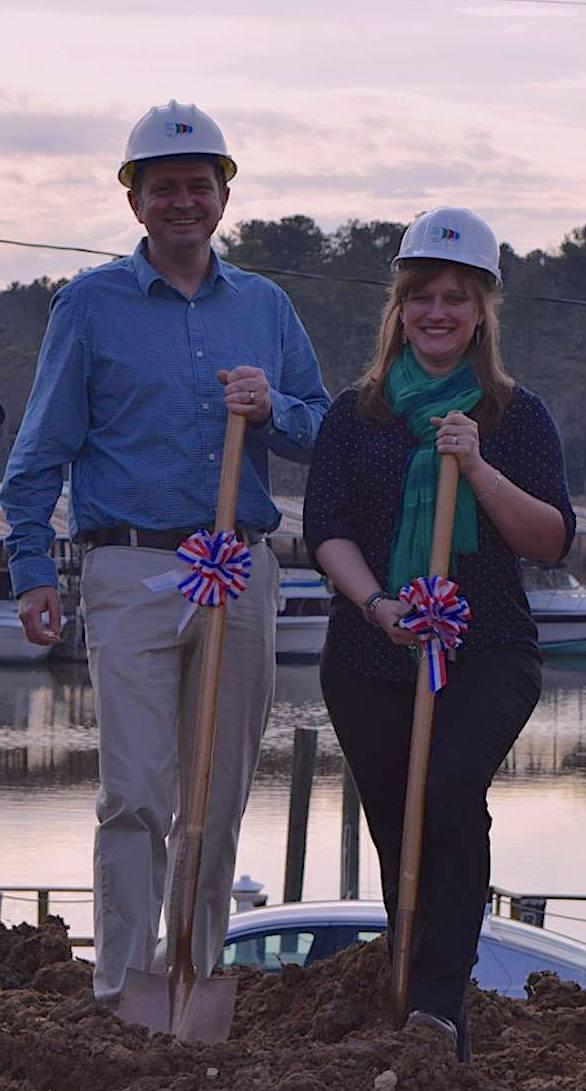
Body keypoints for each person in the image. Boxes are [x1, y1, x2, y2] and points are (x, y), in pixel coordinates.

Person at [1, 99, 330, 1007]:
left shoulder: (266, 305)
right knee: (136, 792)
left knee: (215, 798)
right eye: (163, 188)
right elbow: (39, 451)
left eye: (199, 185)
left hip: (239, 567)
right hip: (129, 566)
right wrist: (33, 570)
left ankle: (193, 979)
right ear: (135, 200)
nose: (183, 202)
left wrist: (275, 409)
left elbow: (326, 425)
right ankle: (121, 991)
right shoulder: (90, 306)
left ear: (224, 196)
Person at [303, 207, 575, 1061]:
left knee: (450, 789)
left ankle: (438, 1005)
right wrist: (379, 605)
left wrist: (479, 467)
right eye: (423, 296)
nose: (438, 312)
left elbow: (550, 538)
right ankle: (414, 998)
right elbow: (326, 528)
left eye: (457, 297)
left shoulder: (514, 413)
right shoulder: (358, 414)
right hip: (369, 654)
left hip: (487, 646)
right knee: (400, 822)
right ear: (399, 306)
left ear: (482, 310)